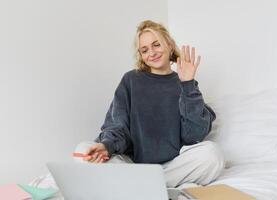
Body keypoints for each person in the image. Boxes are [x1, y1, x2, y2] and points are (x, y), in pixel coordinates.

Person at [73, 20, 224, 188]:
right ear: (141, 55)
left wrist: (188, 83)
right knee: (83, 150)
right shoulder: (131, 80)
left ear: (168, 43)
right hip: (132, 166)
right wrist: (106, 146)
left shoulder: (183, 83)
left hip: (172, 166)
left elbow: (193, 135)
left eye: (156, 45)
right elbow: (117, 126)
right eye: (144, 50)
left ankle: (138, 187)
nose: (151, 53)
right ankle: (148, 186)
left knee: (212, 154)